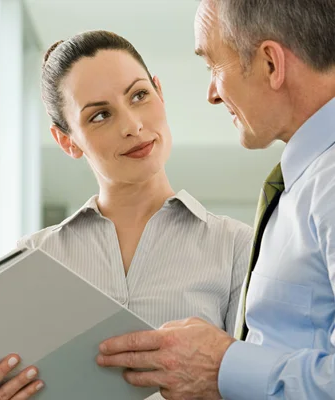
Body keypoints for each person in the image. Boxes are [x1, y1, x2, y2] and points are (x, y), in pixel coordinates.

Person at [0, 30, 253, 399]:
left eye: (139, 95)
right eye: (100, 116)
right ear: (67, 141)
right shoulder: (33, 256)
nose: (132, 125)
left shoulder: (239, 247)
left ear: (160, 92)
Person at [95, 0, 335, 399]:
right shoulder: (305, 183)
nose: (211, 93)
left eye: (213, 67)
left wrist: (223, 366)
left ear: (271, 64)